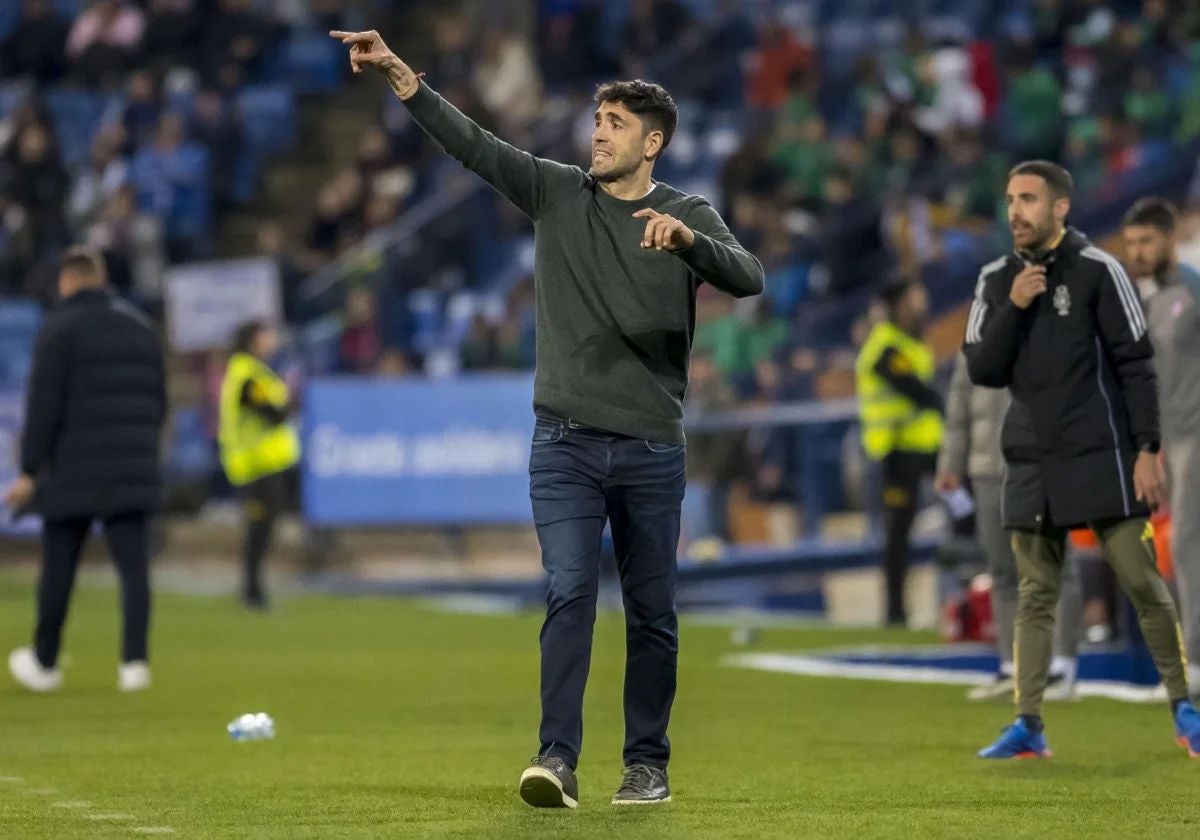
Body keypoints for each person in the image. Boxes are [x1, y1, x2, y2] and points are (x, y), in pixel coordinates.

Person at [331, 28, 764, 807]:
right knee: (568, 590)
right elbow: (474, 145)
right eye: (597, 120)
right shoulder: (557, 191)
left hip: (650, 447)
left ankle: (646, 765)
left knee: (652, 612)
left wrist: (692, 245)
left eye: (617, 124)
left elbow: (750, 276)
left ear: (654, 141)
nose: (598, 133)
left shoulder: (687, 211)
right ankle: (556, 760)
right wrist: (401, 75)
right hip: (563, 440)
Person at [964, 160, 1200, 759]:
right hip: (1031, 457)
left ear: (1060, 208)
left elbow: (1136, 363)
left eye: (1029, 200)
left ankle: (1185, 708)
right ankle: (1029, 723)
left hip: (1100, 452)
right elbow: (982, 370)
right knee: (1035, 592)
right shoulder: (996, 279)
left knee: (1142, 579)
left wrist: (1147, 449)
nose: (1015, 211)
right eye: (1011, 199)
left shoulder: (1100, 271)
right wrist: (1015, 307)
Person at [6, 247, 166, 693]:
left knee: (59, 565)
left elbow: (43, 407)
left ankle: (45, 662)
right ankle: (134, 664)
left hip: (73, 466)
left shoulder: (58, 328)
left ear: (68, 281)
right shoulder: (141, 326)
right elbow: (159, 400)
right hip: (131, 464)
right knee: (134, 568)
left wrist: (29, 470)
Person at [936, 353, 1083, 702]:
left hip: (1043, 462)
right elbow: (959, 406)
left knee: (1056, 565)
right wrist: (950, 462)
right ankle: (1012, 665)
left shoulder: (1049, 319)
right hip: (988, 467)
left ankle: (1062, 667)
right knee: (1002, 571)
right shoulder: (976, 335)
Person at [1122, 197, 1200, 701]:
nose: (1137, 252)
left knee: (1188, 543)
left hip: (1195, 433)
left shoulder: (1192, 290)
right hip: (1160, 442)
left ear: (1170, 239)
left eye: (1147, 241)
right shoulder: (1142, 301)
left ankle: (1194, 660)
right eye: (1130, 243)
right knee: (1164, 548)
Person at [855, 279, 944, 626]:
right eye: (913, 298)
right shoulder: (885, 347)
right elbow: (917, 391)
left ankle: (965, 589)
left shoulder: (910, 341)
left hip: (926, 448)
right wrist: (946, 403)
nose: (920, 304)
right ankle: (894, 611)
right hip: (895, 452)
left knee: (964, 509)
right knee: (898, 534)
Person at [218, 320, 300, 610]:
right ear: (254, 340)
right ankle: (252, 590)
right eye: (267, 336)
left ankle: (253, 588)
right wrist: (289, 401)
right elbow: (272, 414)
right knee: (258, 529)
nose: (273, 340)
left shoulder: (254, 372)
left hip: (264, 466)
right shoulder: (249, 375)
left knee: (263, 529)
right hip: (256, 467)